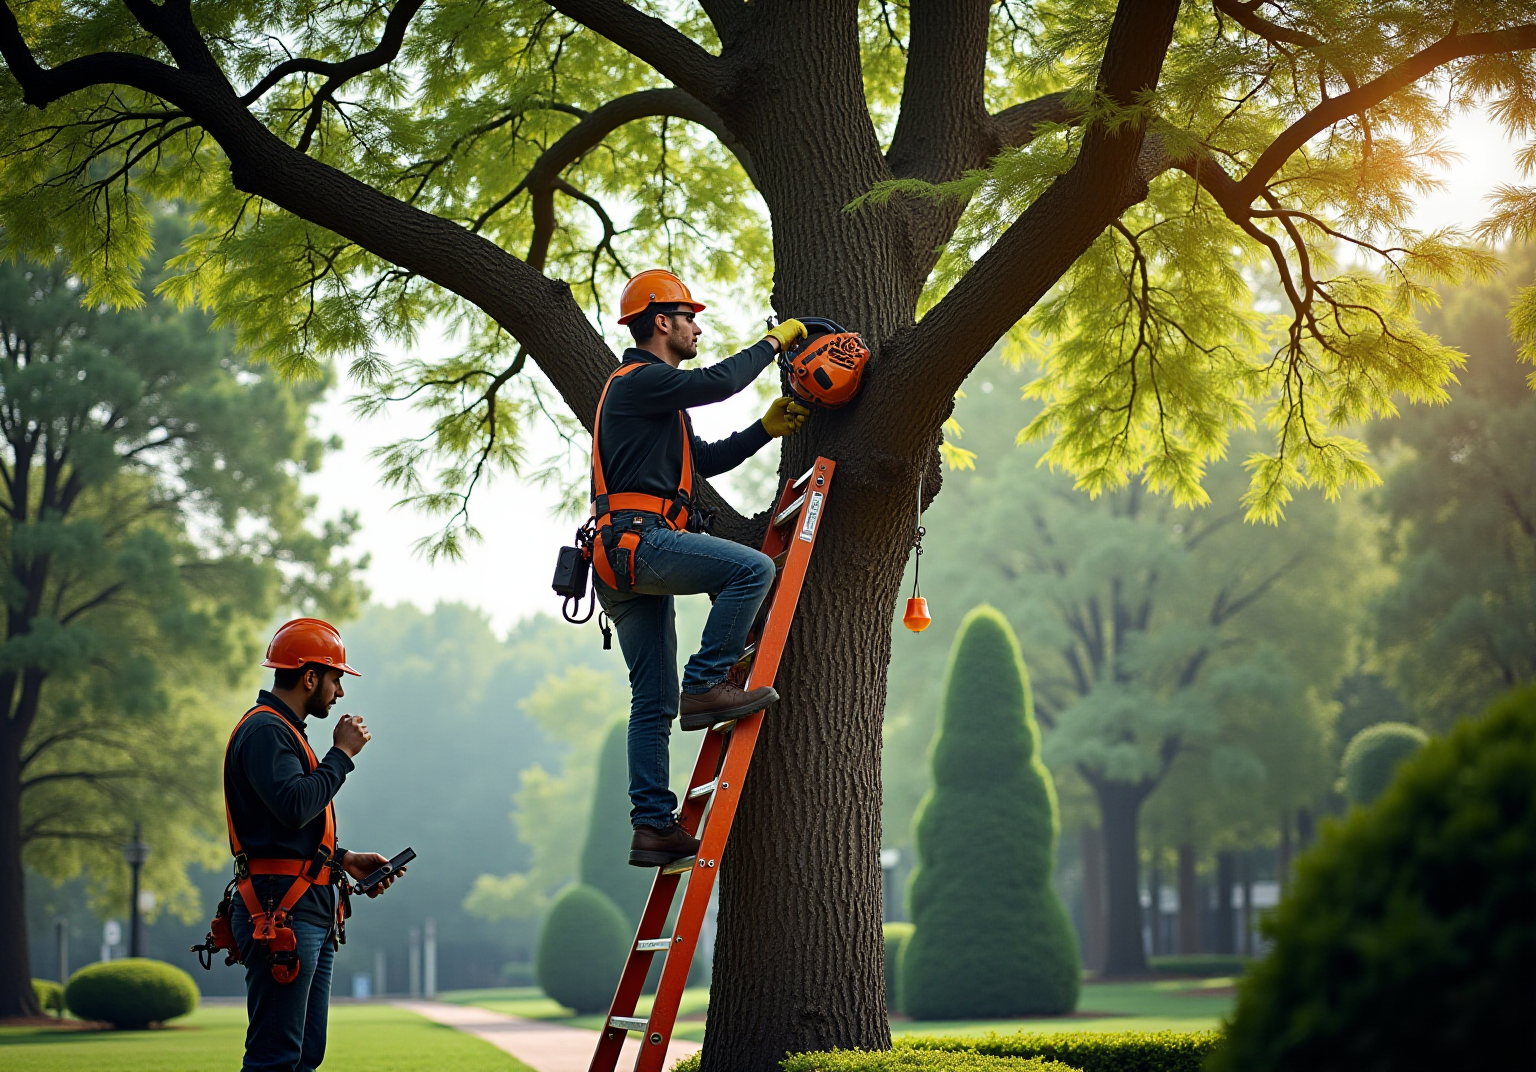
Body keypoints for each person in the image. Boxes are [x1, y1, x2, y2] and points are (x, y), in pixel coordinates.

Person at [592, 269, 811, 869]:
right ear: (661, 322)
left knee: (650, 701)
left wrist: (763, 431)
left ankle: (653, 827)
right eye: (689, 317)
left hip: (618, 558)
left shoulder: (654, 397)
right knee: (751, 572)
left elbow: (702, 462)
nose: (696, 327)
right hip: (640, 542)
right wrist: (775, 342)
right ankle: (707, 684)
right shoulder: (640, 380)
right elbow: (719, 383)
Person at [225, 617, 402, 1072]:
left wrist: (343, 859)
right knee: (276, 1057)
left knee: (304, 1055)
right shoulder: (266, 731)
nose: (339, 692)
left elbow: (285, 830)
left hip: (302, 906)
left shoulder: (283, 730)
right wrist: (341, 754)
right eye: (335, 678)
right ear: (309, 677)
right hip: (281, 908)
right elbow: (292, 806)